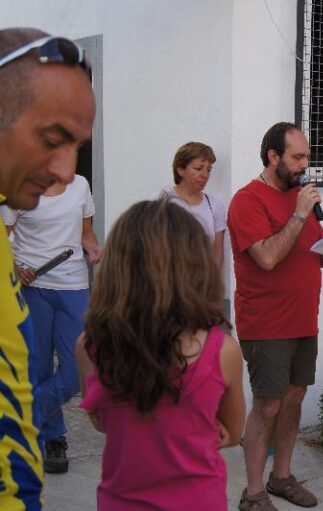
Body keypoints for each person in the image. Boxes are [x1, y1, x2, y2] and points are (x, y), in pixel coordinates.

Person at [228, 122, 323, 511]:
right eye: (298, 157)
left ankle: (281, 478)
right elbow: (268, 257)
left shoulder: (297, 198)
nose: (306, 165)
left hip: (304, 319)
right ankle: (252, 493)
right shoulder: (247, 201)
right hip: (266, 324)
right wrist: (299, 215)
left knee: (293, 400)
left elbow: (316, 256)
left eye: (307, 156)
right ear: (273, 157)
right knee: (267, 405)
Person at [75, 200, 245, 511]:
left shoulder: (89, 346)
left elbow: (102, 421)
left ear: (117, 266)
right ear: (196, 267)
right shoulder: (223, 351)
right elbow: (233, 432)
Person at [0, 28, 95, 510]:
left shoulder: (71, 188)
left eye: (75, 146)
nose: (63, 170)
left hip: (72, 282)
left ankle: (39, 424)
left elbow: (88, 238)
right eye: (51, 139)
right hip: (34, 284)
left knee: (66, 368)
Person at [2, 174, 100, 474]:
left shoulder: (81, 185)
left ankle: (22, 420)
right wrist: (16, 268)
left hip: (73, 285)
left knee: (76, 371)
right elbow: (4, 237)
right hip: (32, 288)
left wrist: (93, 248)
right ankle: (53, 438)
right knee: (40, 366)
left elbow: (85, 232)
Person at [154, 142, 226, 270]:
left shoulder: (214, 205)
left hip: (201, 282)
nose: (205, 175)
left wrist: (213, 284)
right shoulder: (163, 198)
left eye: (208, 170)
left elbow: (217, 251)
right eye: (199, 168)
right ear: (180, 169)